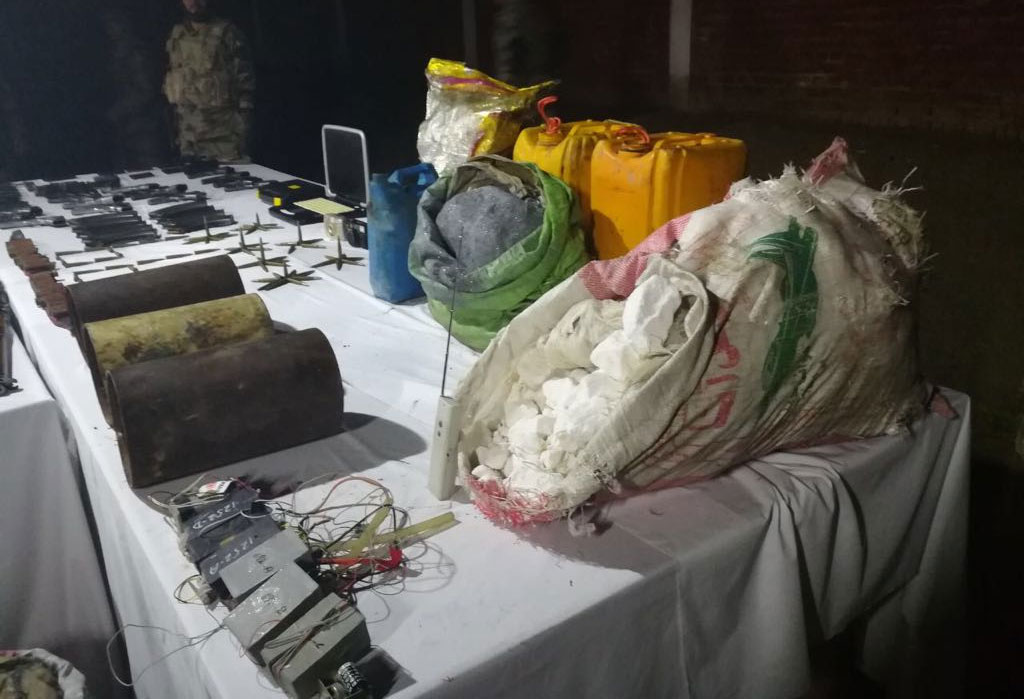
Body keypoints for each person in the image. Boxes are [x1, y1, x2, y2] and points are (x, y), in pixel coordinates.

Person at [163, 0, 254, 161]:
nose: (193, 2)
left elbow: (245, 85)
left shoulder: (227, 33)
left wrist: (243, 129)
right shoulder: (176, 35)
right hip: (188, 137)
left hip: (223, 137)